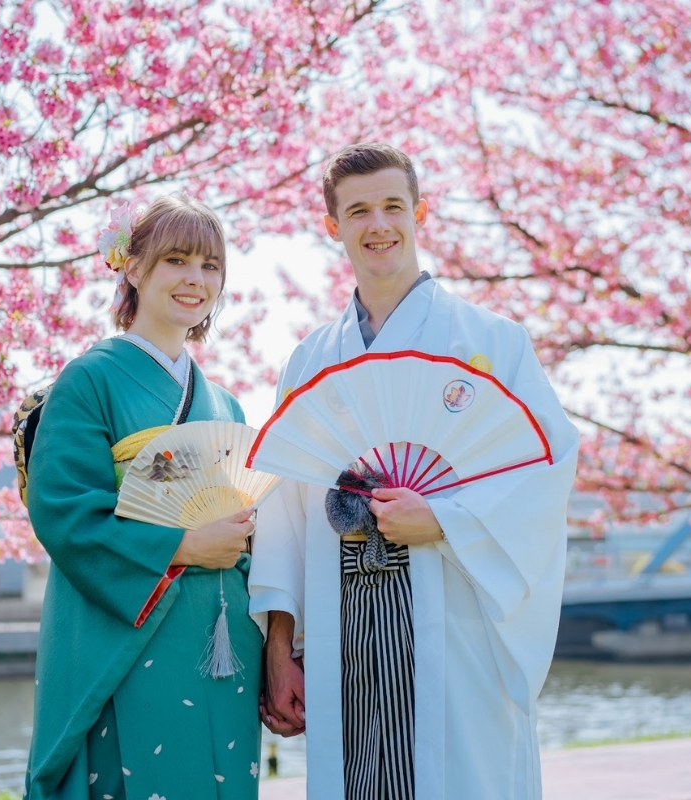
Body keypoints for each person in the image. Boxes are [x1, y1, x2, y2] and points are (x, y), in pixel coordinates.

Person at [248, 143, 579, 799]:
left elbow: (545, 471)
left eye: (393, 206)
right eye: (359, 210)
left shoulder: (492, 342)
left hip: (456, 621)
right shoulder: (309, 362)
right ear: (333, 226)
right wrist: (280, 648)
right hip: (344, 631)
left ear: (419, 212)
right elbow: (283, 513)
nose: (379, 225)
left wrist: (449, 521)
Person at [24, 194, 262, 799]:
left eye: (210, 266)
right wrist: (184, 542)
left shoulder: (226, 404)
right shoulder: (89, 380)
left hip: (223, 638)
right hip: (133, 636)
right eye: (176, 260)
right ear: (132, 268)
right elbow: (66, 514)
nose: (195, 279)